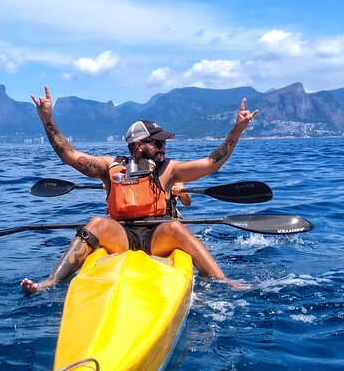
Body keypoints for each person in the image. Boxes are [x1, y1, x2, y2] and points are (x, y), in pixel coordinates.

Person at [21, 85, 258, 294]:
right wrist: (47, 120)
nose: (163, 147)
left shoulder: (170, 170)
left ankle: (222, 281)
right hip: (121, 236)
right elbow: (69, 155)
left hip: (157, 236)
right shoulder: (109, 167)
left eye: (164, 142)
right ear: (138, 145)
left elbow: (211, 163)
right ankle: (50, 283)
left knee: (176, 227)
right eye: (157, 143)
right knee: (95, 223)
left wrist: (236, 130)